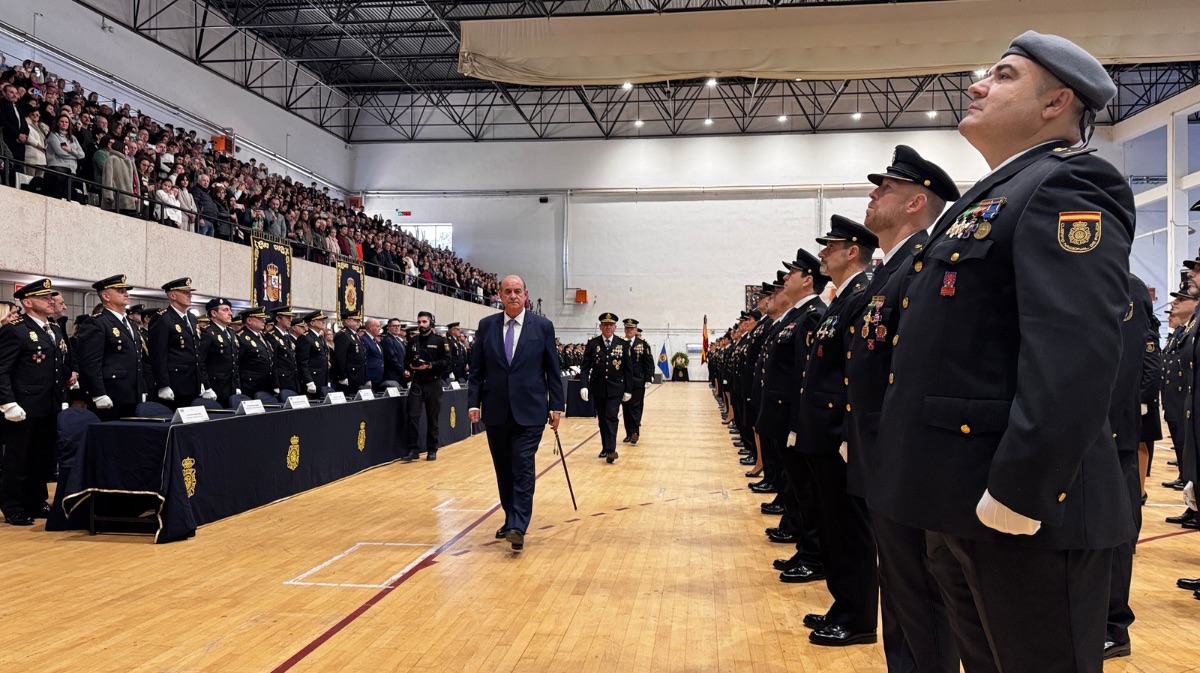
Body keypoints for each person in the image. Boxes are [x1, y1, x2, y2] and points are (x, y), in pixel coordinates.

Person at [874, 32, 1136, 672]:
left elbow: (1074, 357)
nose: (977, 85)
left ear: (1056, 104)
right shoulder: (991, 197)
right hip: (965, 503)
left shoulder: (1067, 184)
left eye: (1004, 75)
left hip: (1026, 513)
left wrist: (1020, 493)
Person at [846, 146, 963, 670]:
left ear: (917, 202)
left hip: (907, 456)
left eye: (886, 189)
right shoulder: (888, 272)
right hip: (882, 451)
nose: (873, 195)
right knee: (899, 587)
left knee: (920, 592)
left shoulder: (921, 265)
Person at [792, 216, 879, 647]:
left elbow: (857, 373)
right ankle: (842, 602)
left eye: (831, 246)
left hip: (838, 436)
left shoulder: (861, 297)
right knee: (833, 526)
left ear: (852, 252)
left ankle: (859, 617)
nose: (823, 253)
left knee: (850, 529)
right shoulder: (841, 300)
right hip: (823, 435)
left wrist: (848, 432)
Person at [468, 275, 565, 552]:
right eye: (507, 291)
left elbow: (552, 369)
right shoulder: (486, 326)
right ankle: (511, 516)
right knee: (504, 468)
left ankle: (518, 525)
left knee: (522, 464)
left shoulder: (542, 326)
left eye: (517, 291)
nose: (513, 295)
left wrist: (556, 406)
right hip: (496, 410)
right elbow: (477, 370)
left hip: (531, 410)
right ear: (499, 295)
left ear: (526, 295)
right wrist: (473, 403)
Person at [0, 279, 71, 526]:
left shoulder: (54, 329)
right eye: (45, 298)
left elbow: (56, 367)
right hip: (23, 406)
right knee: (18, 458)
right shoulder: (15, 329)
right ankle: (12, 505)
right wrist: (7, 403)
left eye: (51, 297)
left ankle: (36, 499)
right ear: (28, 302)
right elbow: (2, 370)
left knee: (43, 457)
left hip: (49, 403)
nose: (51, 301)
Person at [76, 274, 146, 420]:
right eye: (120, 291)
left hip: (131, 394)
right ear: (106, 296)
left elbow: (136, 361)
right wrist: (98, 393)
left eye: (126, 290)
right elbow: (90, 363)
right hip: (110, 394)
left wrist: (141, 389)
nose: (126, 293)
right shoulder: (97, 323)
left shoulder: (130, 325)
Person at [579, 312, 634, 463]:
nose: (608, 327)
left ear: (615, 327)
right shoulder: (593, 343)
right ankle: (605, 447)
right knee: (602, 419)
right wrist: (584, 386)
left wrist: (629, 390)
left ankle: (611, 450)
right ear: (600, 326)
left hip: (616, 389)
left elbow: (628, 370)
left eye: (611, 325)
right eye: (605, 325)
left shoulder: (623, 344)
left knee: (611, 417)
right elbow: (585, 368)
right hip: (598, 389)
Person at [401, 311, 451, 461]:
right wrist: (409, 368)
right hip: (417, 382)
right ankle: (413, 449)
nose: (421, 325)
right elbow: (405, 361)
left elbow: (447, 362)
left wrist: (429, 365)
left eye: (424, 322)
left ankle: (432, 449)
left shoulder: (440, 341)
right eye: (419, 322)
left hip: (434, 382)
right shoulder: (412, 341)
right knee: (412, 415)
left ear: (431, 323)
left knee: (432, 417)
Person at [148, 277, 201, 409]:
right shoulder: (163, 319)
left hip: (193, 382)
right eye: (184, 292)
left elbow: (195, 352)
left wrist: (203, 382)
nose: (189, 295)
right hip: (175, 382)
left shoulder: (192, 318)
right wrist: (163, 385)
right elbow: (158, 355)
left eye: (190, 292)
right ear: (172, 295)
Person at [197, 298, 240, 406]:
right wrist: (207, 387)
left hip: (231, 385)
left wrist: (237, 385)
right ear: (214, 313)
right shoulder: (208, 332)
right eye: (225, 310)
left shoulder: (231, 332)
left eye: (230, 310)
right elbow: (200, 361)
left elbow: (235, 361)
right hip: (216, 386)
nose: (230, 313)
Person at [619, 318, 655, 445]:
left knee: (635, 406)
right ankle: (628, 433)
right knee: (626, 408)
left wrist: (649, 377)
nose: (629, 330)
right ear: (624, 329)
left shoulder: (642, 344)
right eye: (627, 328)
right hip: (623, 382)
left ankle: (635, 432)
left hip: (638, 381)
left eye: (631, 328)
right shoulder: (620, 344)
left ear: (635, 330)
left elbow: (648, 362)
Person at [236, 307, 275, 398]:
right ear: (249, 320)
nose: (264, 320)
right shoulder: (241, 337)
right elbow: (237, 363)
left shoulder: (262, 335)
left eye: (264, 318)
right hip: (250, 385)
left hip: (265, 384)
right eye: (260, 318)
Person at [294, 311, 330, 397]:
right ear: (312, 323)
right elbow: (302, 362)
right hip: (313, 379)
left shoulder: (320, 337)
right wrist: (309, 381)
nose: (323, 322)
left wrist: (327, 380)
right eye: (320, 320)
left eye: (323, 320)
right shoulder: (305, 338)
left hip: (322, 378)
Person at [332, 311, 367, 394]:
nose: (359, 323)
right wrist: (342, 376)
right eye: (355, 321)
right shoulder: (343, 334)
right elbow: (340, 357)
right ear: (347, 321)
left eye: (359, 321)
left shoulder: (354, 334)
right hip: (349, 376)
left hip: (357, 375)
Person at [267, 306, 299, 395]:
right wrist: (275, 383)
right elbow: (274, 362)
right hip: (282, 379)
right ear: (278, 318)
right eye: (287, 317)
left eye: (291, 318)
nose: (290, 320)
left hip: (291, 378)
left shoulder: (287, 335)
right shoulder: (271, 336)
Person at [381, 318, 408, 386]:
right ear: (389, 327)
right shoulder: (387, 340)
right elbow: (391, 358)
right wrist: (402, 370)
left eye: (398, 326)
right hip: (392, 374)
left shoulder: (399, 340)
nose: (397, 328)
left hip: (400, 374)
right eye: (394, 326)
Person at [361, 317, 385, 389]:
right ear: (370, 327)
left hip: (379, 376)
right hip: (371, 377)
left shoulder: (374, 340)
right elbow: (364, 361)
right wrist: (367, 379)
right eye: (377, 326)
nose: (380, 328)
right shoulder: (364, 340)